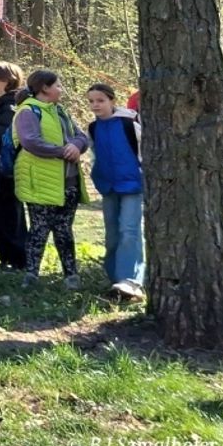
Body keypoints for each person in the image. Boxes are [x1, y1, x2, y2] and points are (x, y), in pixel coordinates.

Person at [14, 70, 91, 290]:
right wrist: (62, 151)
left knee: (64, 230)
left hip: (69, 182)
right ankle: (31, 275)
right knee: (39, 229)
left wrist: (76, 146)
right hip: (40, 181)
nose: (61, 89)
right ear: (45, 88)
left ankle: (71, 274)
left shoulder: (61, 111)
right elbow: (31, 142)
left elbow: (81, 136)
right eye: (58, 85)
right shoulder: (28, 111)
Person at [85, 83, 144, 301]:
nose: (95, 105)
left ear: (112, 101)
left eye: (100, 100)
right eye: (91, 101)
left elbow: (144, 150)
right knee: (112, 234)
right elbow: (94, 154)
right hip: (108, 186)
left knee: (130, 231)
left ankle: (130, 281)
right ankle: (114, 280)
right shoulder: (93, 127)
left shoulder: (130, 123)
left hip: (133, 185)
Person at [0, 62, 28, 270]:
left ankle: (18, 259)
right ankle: (6, 257)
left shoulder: (11, 106)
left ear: (4, 79)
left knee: (10, 215)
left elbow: (5, 137)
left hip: (8, 170)